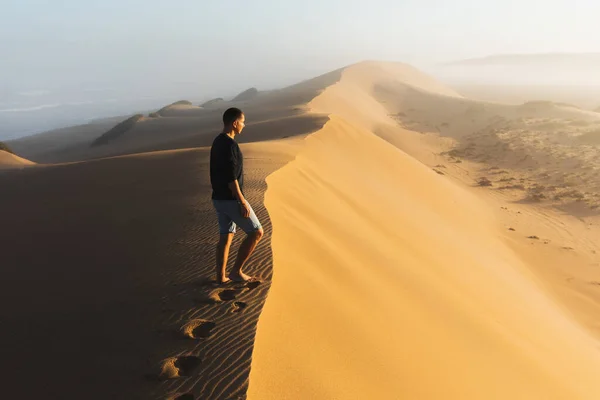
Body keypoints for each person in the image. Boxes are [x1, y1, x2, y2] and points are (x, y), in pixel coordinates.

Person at [210, 107, 264, 284]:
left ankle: (220, 277)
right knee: (256, 232)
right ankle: (236, 272)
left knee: (226, 236)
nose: (244, 125)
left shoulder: (217, 141)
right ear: (234, 123)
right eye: (242, 121)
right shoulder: (230, 145)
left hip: (218, 198)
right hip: (231, 199)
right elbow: (231, 178)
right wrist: (242, 202)